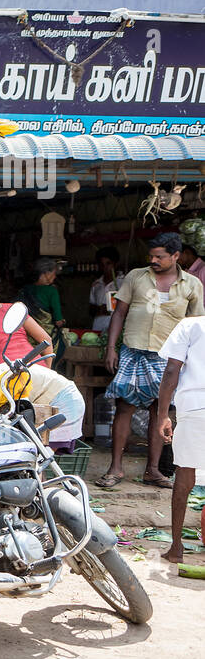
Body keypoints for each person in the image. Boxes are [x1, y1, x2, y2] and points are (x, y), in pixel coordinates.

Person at [98, 232, 205, 489]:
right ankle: (115, 469)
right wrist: (112, 348)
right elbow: (119, 313)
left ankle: (153, 471)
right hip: (133, 349)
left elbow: (196, 326)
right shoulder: (136, 276)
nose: (153, 260)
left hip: (168, 355)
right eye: (151, 256)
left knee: (161, 411)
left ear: (176, 256)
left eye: (160, 256)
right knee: (124, 407)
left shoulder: (192, 284)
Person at [157, 315, 205, 563]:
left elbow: (172, 370)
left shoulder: (190, 325)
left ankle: (176, 548)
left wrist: (162, 414)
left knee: (184, 476)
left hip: (195, 407)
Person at [20, 257, 65, 332]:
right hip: (44, 334)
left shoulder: (25, 289)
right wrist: (62, 321)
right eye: (54, 273)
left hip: (26, 332)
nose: (55, 276)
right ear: (47, 273)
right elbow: (58, 321)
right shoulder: (52, 291)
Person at [88, 246, 124, 332]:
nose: (105, 267)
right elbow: (91, 310)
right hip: (98, 328)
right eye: (102, 264)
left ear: (115, 264)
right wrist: (99, 310)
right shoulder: (96, 285)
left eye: (108, 263)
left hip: (118, 330)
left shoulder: (124, 282)